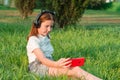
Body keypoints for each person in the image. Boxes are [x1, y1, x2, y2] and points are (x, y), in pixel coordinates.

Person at [26, 10, 102, 80]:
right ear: (37, 24)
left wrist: (60, 63)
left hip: (49, 63)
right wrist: (57, 64)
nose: (49, 29)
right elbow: (42, 59)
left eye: (51, 26)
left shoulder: (45, 37)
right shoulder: (33, 40)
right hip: (37, 68)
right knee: (75, 69)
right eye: (46, 26)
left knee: (73, 76)